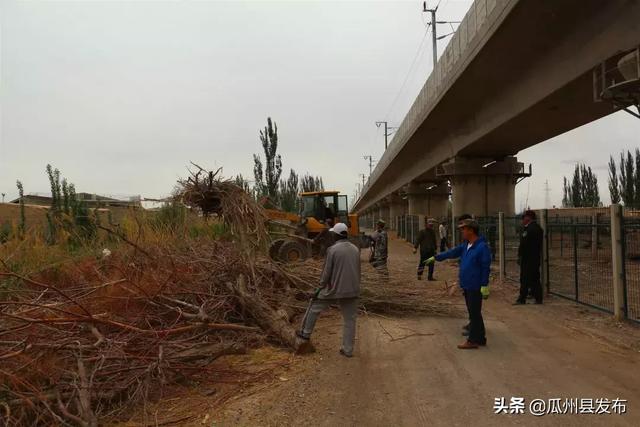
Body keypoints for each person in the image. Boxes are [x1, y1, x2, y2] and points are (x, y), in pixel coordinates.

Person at [297, 223, 361, 357]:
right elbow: (358, 271)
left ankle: (305, 334)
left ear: (335, 235)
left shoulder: (332, 250)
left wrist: (319, 289)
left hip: (334, 290)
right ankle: (347, 350)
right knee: (350, 320)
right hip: (352, 290)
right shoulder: (355, 249)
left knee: (314, 306)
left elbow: (326, 273)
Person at [426, 218, 491, 349]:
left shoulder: (481, 247)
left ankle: (472, 340)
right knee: (474, 312)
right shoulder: (466, 245)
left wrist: (484, 285)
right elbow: (452, 252)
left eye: (464, 229)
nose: (462, 232)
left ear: (471, 230)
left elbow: (485, 266)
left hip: (475, 284)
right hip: (467, 284)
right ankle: (480, 338)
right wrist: (437, 257)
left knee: (474, 312)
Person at [514, 210, 544, 305]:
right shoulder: (535, 228)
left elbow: (525, 245)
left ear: (529, 218)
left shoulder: (531, 229)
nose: (522, 220)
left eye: (524, 217)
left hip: (528, 259)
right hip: (532, 258)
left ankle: (522, 298)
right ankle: (537, 297)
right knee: (534, 278)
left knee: (525, 278)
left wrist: (520, 256)